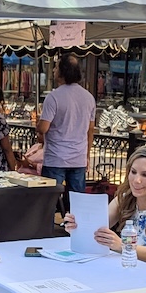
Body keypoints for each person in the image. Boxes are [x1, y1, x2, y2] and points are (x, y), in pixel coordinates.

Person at [62, 145, 146, 273]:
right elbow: (95, 230)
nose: (136, 180)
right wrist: (76, 226)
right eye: (133, 172)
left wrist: (121, 245)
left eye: (145, 175)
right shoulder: (124, 199)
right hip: (129, 270)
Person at [38, 55, 96, 194]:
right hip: (78, 158)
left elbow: (43, 128)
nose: (53, 70)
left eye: (56, 67)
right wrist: (87, 155)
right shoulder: (89, 97)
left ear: (62, 72)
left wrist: (38, 125)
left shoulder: (53, 97)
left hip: (55, 158)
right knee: (77, 202)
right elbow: (90, 130)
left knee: (49, 201)